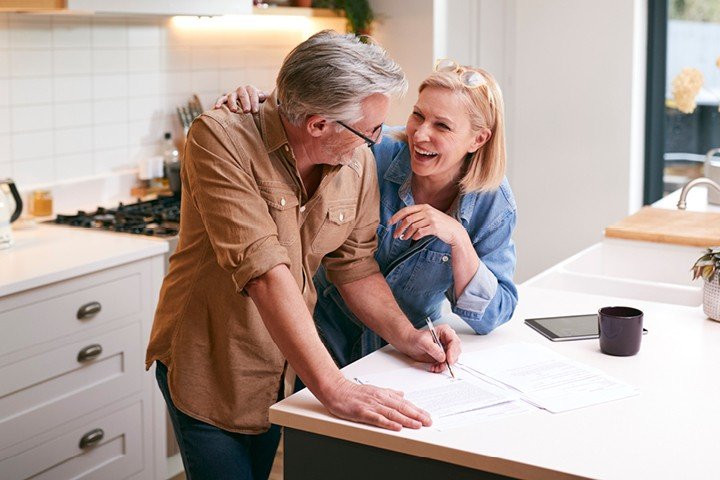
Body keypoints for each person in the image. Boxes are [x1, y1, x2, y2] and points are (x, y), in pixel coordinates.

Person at [147, 31, 461, 480]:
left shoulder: (357, 159)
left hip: (281, 366)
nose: (377, 140)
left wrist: (407, 336)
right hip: (211, 362)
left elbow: (354, 266)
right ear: (318, 125)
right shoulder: (219, 138)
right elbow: (264, 272)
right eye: (370, 130)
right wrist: (333, 386)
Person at [217, 58, 517, 369]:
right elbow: (316, 126)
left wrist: (458, 240)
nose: (420, 134)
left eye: (441, 125)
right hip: (321, 333)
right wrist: (264, 107)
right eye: (418, 115)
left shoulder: (493, 204)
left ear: (479, 139)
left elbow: (494, 315)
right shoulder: (373, 150)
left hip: (399, 352)